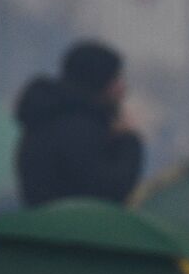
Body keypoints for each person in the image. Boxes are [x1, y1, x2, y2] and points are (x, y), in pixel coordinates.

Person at [14, 39, 143, 207]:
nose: (123, 89)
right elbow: (107, 192)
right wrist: (128, 141)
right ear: (98, 80)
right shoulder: (79, 129)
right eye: (116, 79)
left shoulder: (45, 120)